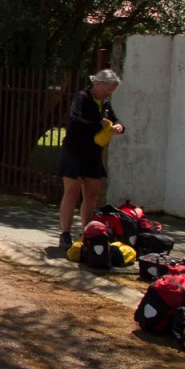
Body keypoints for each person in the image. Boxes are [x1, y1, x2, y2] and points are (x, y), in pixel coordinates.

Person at [57, 69, 125, 249]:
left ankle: (88, 232)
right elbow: (73, 121)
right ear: (98, 84)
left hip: (93, 153)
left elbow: (117, 120)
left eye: (111, 91)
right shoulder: (82, 98)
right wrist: (97, 124)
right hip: (74, 151)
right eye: (107, 89)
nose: (108, 93)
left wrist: (119, 126)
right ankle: (65, 234)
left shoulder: (106, 103)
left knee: (92, 192)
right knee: (72, 191)